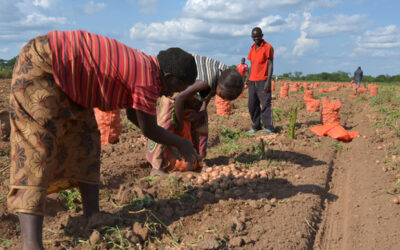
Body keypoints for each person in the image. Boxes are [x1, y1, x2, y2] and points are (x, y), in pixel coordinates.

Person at [8, 30, 199, 250]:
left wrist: (168, 142)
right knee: (36, 146)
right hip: (45, 62)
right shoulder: (148, 79)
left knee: (86, 140)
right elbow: (149, 129)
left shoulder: (146, 68)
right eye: (176, 88)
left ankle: (93, 216)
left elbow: (132, 116)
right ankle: (31, 244)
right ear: (169, 77)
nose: (169, 95)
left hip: (72, 82)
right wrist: (181, 143)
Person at [147, 54, 244, 175]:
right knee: (165, 123)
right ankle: (157, 166)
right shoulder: (206, 81)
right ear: (220, 84)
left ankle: (198, 158)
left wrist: (200, 113)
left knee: (201, 122)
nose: (223, 98)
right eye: (223, 95)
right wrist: (180, 125)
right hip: (173, 86)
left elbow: (206, 97)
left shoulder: (226, 75)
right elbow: (179, 99)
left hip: (187, 89)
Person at [246, 27, 275, 134]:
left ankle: (269, 127)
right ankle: (256, 126)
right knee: (252, 105)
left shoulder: (268, 47)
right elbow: (251, 65)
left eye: (258, 36)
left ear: (262, 35)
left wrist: (268, 80)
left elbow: (270, 64)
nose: (256, 38)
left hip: (263, 80)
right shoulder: (252, 48)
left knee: (265, 104)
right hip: (252, 80)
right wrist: (247, 78)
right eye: (254, 37)